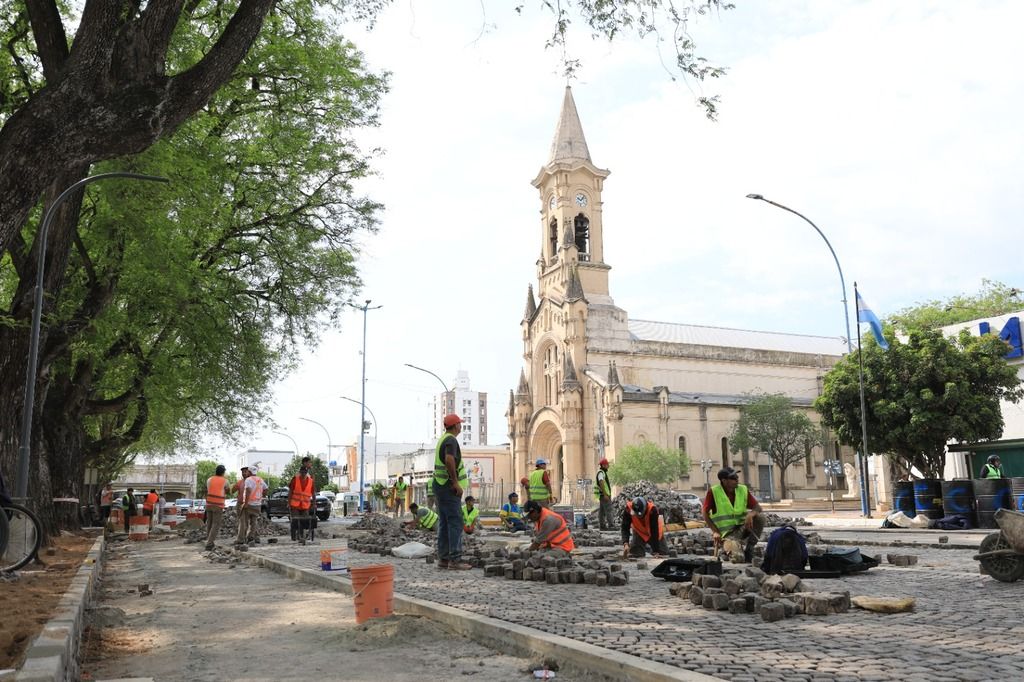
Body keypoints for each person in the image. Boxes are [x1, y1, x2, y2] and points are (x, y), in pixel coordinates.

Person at [433, 413, 472, 570]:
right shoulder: (451, 440)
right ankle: (455, 560)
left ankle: (443, 559)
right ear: (456, 426)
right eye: (460, 424)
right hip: (448, 487)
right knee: (455, 522)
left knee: (444, 522)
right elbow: (449, 460)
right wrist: (455, 483)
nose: (461, 426)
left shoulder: (443, 439)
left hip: (440, 485)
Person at [703, 467, 764, 563]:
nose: (737, 480)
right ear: (724, 480)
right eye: (733, 478)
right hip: (727, 534)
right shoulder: (714, 492)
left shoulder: (742, 489)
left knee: (760, 517)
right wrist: (715, 531)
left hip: (743, 528)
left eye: (737, 477)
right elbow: (704, 513)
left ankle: (750, 548)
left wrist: (750, 515)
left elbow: (758, 507)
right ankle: (727, 550)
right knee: (738, 559)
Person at [235, 466, 266, 548]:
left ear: (250, 472)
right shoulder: (260, 479)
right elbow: (266, 489)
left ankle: (241, 539)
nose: (246, 473)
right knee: (254, 522)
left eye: (247, 471)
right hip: (257, 505)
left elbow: (248, 491)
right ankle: (251, 538)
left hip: (249, 504)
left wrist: (245, 503)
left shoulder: (248, 480)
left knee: (243, 522)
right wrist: (261, 497)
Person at [204, 465, 229, 550]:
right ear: (223, 472)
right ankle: (209, 543)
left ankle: (209, 540)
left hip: (209, 504)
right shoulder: (225, 481)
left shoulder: (209, 479)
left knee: (209, 523)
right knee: (216, 524)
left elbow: (207, 490)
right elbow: (227, 491)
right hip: (218, 505)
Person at [288, 466, 314, 545]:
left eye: (304, 472)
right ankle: (294, 535)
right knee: (295, 521)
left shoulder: (310, 481)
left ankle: (301, 536)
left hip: (305, 505)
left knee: (303, 522)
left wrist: (314, 503)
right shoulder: (295, 479)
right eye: (302, 472)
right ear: (300, 472)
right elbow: (290, 491)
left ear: (306, 473)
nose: (303, 474)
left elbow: (313, 493)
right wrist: (288, 502)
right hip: (295, 505)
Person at [593, 458, 612, 530]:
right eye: (607, 464)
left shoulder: (602, 472)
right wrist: (605, 494)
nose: (608, 466)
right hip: (604, 495)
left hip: (603, 495)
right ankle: (611, 525)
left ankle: (602, 526)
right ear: (603, 465)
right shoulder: (601, 473)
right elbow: (601, 483)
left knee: (602, 511)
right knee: (609, 510)